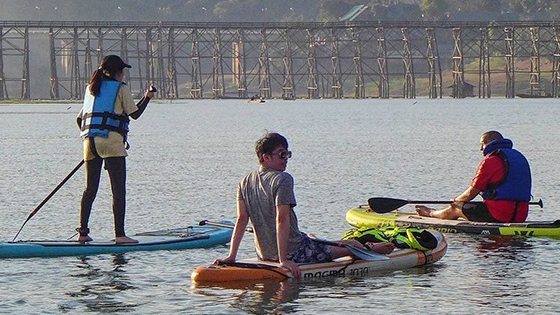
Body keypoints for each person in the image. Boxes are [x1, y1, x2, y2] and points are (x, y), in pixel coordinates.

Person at [214, 132, 395, 279]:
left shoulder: (244, 181)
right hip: (294, 252)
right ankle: (372, 248)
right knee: (352, 245)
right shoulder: (283, 179)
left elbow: (242, 220)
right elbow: (281, 219)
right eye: (281, 154)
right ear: (265, 157)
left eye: (288, 154)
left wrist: (231, 257)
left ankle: (331, 241)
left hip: (264, 255)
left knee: (322, 240)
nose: (286, 159)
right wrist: (284, 260)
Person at [76, 55, 156, 244]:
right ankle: (120, 235)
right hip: (111, 144)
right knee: (118, 191)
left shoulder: (91, 89)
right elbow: (134, 114)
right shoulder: (121, 89)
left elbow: (80, 120)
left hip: (89, 144)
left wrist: (94, 135)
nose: (123, 74)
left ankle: (83, 233)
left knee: (90, 189)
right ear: (114, 72)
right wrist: (148, 96)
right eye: (121, 71)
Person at [415, 130, 532, 223]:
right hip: (521, 216)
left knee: (455, 208)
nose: (481, 149)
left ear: (490, 143)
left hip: (498, 215)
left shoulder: (491, 160)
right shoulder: (519, 157)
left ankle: (430, 213)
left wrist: (456, 201)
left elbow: (471, 193)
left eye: (482, 144)